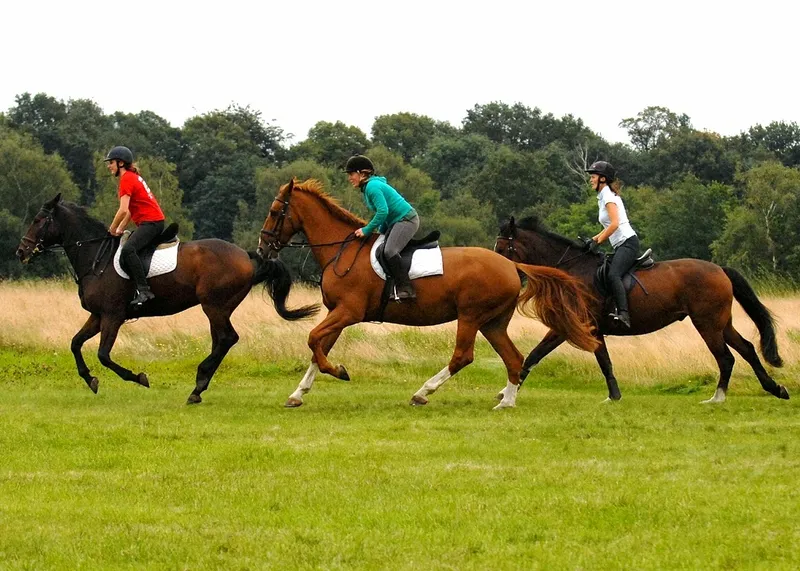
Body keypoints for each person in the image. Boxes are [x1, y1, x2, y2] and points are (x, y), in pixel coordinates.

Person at [345, 155, 419, 301]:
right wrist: (380, 231)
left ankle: (406, 289)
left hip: (407, 220)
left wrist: (366, 230)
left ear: (361, 173)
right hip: (396, 222)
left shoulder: (372, 187)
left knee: (390, 251)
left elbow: (383, 211)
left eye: (351, 174)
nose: (350, 178)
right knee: (380, 250)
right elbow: (386, 214)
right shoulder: (368, 188)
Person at [105, 146, 166, 306]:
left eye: (111, 162)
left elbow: (123, 210)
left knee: (128, 250)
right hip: (153, 222)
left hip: (151, 223)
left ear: (120, 163)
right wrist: (119, 229)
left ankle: (144, 290)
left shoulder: (126, 179)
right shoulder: (133, 177)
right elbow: (131, 212)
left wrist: (111, 229)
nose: (108, 166)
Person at [586, 160, 639, 328]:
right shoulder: (603, 197)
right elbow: (609, 227)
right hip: (621, 244)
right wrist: (593, 239)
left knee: (613, 275)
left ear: (602, 179)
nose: (591, 180)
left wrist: (598, 241)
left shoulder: (608, 197)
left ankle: (624, 314)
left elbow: (615, 224)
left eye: (593, 176)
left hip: (628, 243)